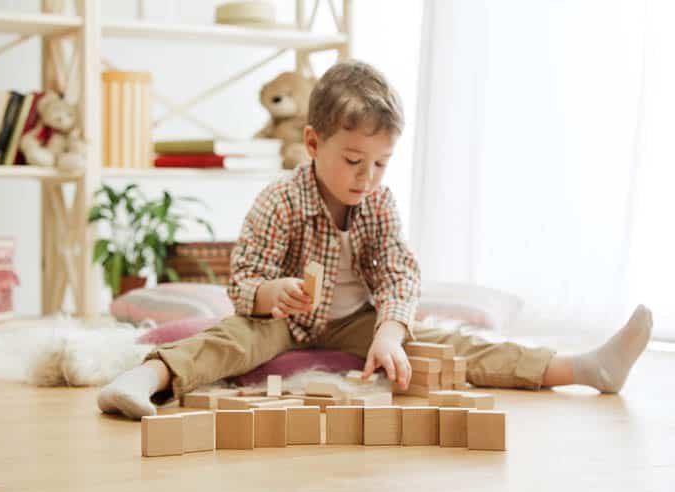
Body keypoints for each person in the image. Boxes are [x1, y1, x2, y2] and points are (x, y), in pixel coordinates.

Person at [98, 60, 653, 419]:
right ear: (313, 144)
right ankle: (143, 377)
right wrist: (273, 293)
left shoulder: (378, 203)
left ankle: (581, 369)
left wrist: (389, 333)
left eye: (382, 163)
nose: (367, 178)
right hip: (280, 320)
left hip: (356, 318)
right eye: (355, 161)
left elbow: (396, 273)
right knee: (229, 341)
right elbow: (243, 280)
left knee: (447, 344)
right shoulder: (279, 200)